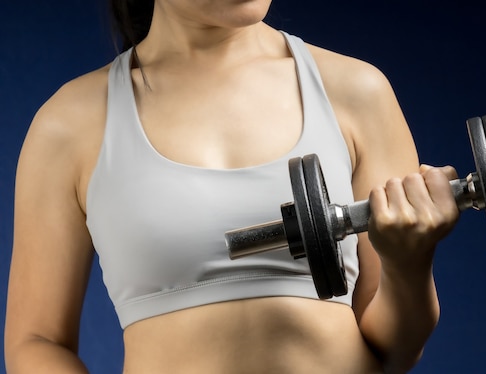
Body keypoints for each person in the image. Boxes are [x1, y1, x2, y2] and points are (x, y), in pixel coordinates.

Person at [4, 1, 459, 373]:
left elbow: (397, 352)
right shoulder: (69, 124)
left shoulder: (358, 92)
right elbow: (33, 341)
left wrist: (408, 264)